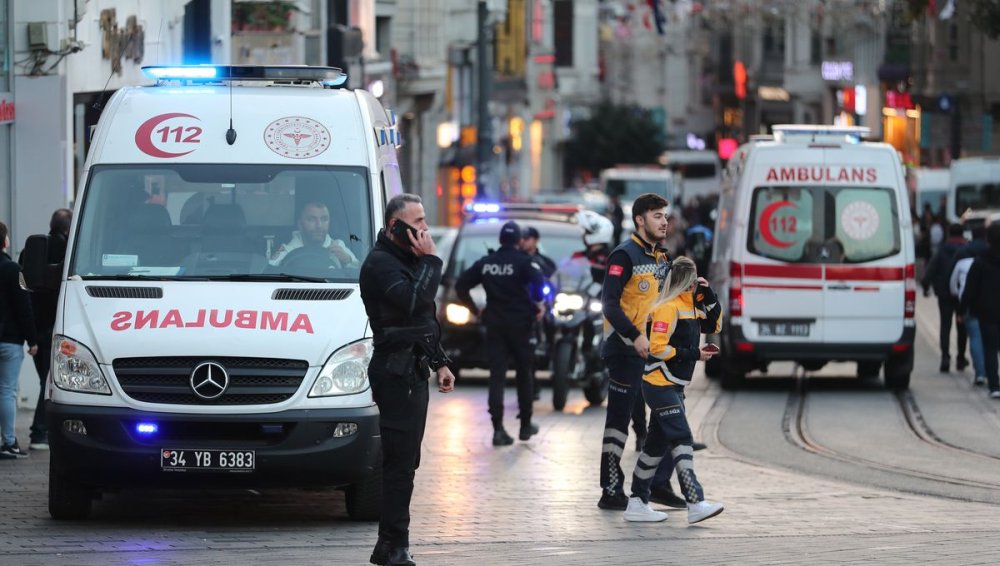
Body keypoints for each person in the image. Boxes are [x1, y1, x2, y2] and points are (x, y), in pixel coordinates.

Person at [359, 194, 456, 566]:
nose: (424, 228)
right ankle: (394, 545)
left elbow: (423, 320)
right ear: (395, 226)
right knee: (400, 462)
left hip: (413, 369)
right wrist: (431, 260)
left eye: (425, 220)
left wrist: (440, 361)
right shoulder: (381, 263)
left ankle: (387, 545)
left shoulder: (406, 259)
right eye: (416, 222)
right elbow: (414, 302)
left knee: (407, 461)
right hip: (395, 372)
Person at [625, 256, 725, 523]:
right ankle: (695, 502)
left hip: (673, 386)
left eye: (697, 281)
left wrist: (709, 293)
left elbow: (714, 325)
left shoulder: (689, 306)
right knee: (682, 437)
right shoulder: (667, 308)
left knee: (654, 448)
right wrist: (695, 354)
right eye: (692, 282)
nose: (695, 286)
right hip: (659, 384)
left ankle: (636, 502)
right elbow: (657, 348)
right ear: (683, 281)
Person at [597, 193, 673, 511]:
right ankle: (611, 490)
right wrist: (633, 336)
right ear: (640, 220)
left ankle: (655, 485)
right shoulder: (623, 255)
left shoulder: (661, 258)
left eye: (665, 216)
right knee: (619, 421)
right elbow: (609, 304)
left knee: (665, 417)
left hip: (653, 352)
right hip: (625, 349)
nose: (664, 221)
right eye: (657, 216)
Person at [455, 221, 546, 446]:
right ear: (519, 240)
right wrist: (538, 303)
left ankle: (497, 429)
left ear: (500, 240)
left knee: (497, 375)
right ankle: (525, 425)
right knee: (524, 372)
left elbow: (461, 285)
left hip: (494, 323)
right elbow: (540, 284)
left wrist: (475, 309)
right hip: (521, 325)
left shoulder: (487, 263)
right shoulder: (525, 262)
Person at [24, 208, 71, 450]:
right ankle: (39, 432)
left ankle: (41, 431)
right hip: (56, 325)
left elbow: (25, 291)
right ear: (68, 228)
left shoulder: (30, 252)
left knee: (45, 379)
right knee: (49, 380)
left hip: (36, 326)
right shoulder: (69, 252)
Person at [0, 222, 39, 459]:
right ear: (5, 242)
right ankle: (8, 442)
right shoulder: (13, 269)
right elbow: (24, 307)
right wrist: (32, 339)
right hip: (9, 340)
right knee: (6, 391)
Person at [959, 222, 1000, 400]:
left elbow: (970, 289)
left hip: (987, 312)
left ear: (988, 239)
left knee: (990, 349)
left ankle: (994, 385)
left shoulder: (981, 261)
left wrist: (962, 310)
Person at [923, 223, 968, 372]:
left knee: (945, 325)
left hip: (944, 293)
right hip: (962, 294)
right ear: (963, 234)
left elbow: (931, 269)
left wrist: (926, 285)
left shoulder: (942, 250)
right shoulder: (967, 250)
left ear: (949, 234)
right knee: (962, 326)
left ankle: (945, 357)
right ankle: (961, 358)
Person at [270, 201, 359, 267]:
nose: (319, 225)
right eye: (311, 219)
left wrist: (348, 260)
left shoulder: (338, 246)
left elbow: (362, 273)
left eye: (324, 219)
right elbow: (269, 270)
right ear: (300, 224)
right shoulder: (288, 250)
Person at [952, 225, 988, 385]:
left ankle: (980, 373)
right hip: (992, 306)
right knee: (991, 341)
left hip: (972, 306)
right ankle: (991, 372)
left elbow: (957, 286)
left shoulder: (963, 257)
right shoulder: (991, 255)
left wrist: (961, 308)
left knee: (975, 337)